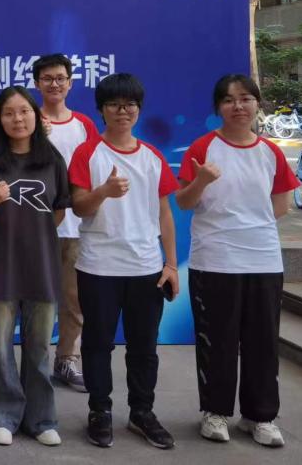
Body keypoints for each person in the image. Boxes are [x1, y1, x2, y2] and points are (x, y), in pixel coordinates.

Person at [175, 74, 296, 447]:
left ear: (257, 103)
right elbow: (184, 201)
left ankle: (260, 416)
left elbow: (281, 205)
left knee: (263, 342)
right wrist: (202, 181)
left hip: (262, 259)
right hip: (215, 259)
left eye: (245, 99)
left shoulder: (270, 151)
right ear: (218, 108)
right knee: (218, 341)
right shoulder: (203, 148)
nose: (238, 106)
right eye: (229, 100)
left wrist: (247, 223)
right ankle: (215, 412)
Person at [69, 73, 180, 450]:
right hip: (98, 266)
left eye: (130, 104)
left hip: (146, 268)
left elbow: (165, 213)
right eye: (114, 104)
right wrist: (103, 191)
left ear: (139, 109)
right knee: (97, 344)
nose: (123, 111)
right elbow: (79, 207)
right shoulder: (87, 153)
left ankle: (142, 412)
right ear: (102, 110)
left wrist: (170, 264)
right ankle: (99, 410)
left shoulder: (152, 156)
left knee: (144, 347)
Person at [0, 86, 69, 447]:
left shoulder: (52, 159)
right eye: (9, 113)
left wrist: (34, 236)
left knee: (39, 346)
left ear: (35, 116)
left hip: (42, 264)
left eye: (24, 111)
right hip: (2, 263)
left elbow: (58, 210)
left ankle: (41, 418)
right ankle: (1, 415)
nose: (17, 119)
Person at [32, 53, 98, 392]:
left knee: (74, 300)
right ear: (37, 83)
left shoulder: (83, 124)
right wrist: (36, 138)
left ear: (70, 83)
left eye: (60, 78)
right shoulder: (27, 120)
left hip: (75, 226)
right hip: (36, 227)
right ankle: (35, 362)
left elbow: (93, 169)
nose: (54, 84)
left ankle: (67, 359)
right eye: (47, 78)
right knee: (37, 300)